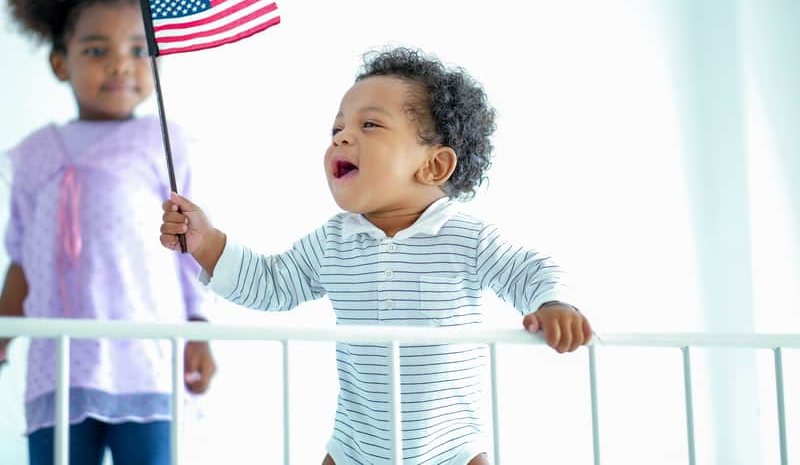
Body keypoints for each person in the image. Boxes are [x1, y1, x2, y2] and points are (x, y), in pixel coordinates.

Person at [160, 46, 593, 465]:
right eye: (336, 130)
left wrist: (552, 303)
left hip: (450, 447)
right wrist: (207, 243)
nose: (342, 136)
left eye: (370, 125)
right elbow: (272, 285)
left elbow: (529, 270)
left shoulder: (466, 237)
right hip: (355, 445)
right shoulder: (333, 241)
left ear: (435, 166)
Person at [0, 0, 216, 464]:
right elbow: (24, 255)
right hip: (60, 362)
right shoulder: (33, 154)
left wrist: (198, 331)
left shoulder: (163, 143)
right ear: (60, 63)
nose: (121, 65)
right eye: (97, 50)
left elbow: (189, 250)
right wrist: (4, 329)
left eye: (139, 50)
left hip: (143, 358)